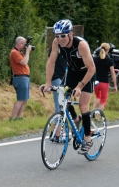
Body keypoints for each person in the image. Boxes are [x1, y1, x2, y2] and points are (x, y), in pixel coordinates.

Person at [40, 19, 96, 154]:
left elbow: (92, 68)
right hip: (72, 73)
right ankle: (76, 119)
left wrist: (80, 86)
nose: (60, 39)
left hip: (87, 73)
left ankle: (88, 139)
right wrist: (48, 83)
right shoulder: (56, 44)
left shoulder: (81, 45)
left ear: (70, 34)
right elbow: (51, 63)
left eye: (63, 36)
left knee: (83, 105)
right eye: (57, 36)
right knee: (64, 99)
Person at [10, 36, 33, 120]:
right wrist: (27, 52)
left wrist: (26, 52)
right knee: (20, 99)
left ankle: (18, 117)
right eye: (24, 44)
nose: (25, 46)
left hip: (24, 78)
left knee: (25, 99)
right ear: (20, 44)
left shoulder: (19, 52)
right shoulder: (14, 52)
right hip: (20, 78)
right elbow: (24, 62)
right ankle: (13, 118)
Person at [93, 43, 118, 111]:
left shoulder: (95, 59)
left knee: (97, 97)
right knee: (103, 101)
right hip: (104, 82)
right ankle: (97, 116)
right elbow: (113, 73)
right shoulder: (109, 60)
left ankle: (92, 113)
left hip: (96, 82)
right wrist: (115, 85)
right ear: (108, 50)